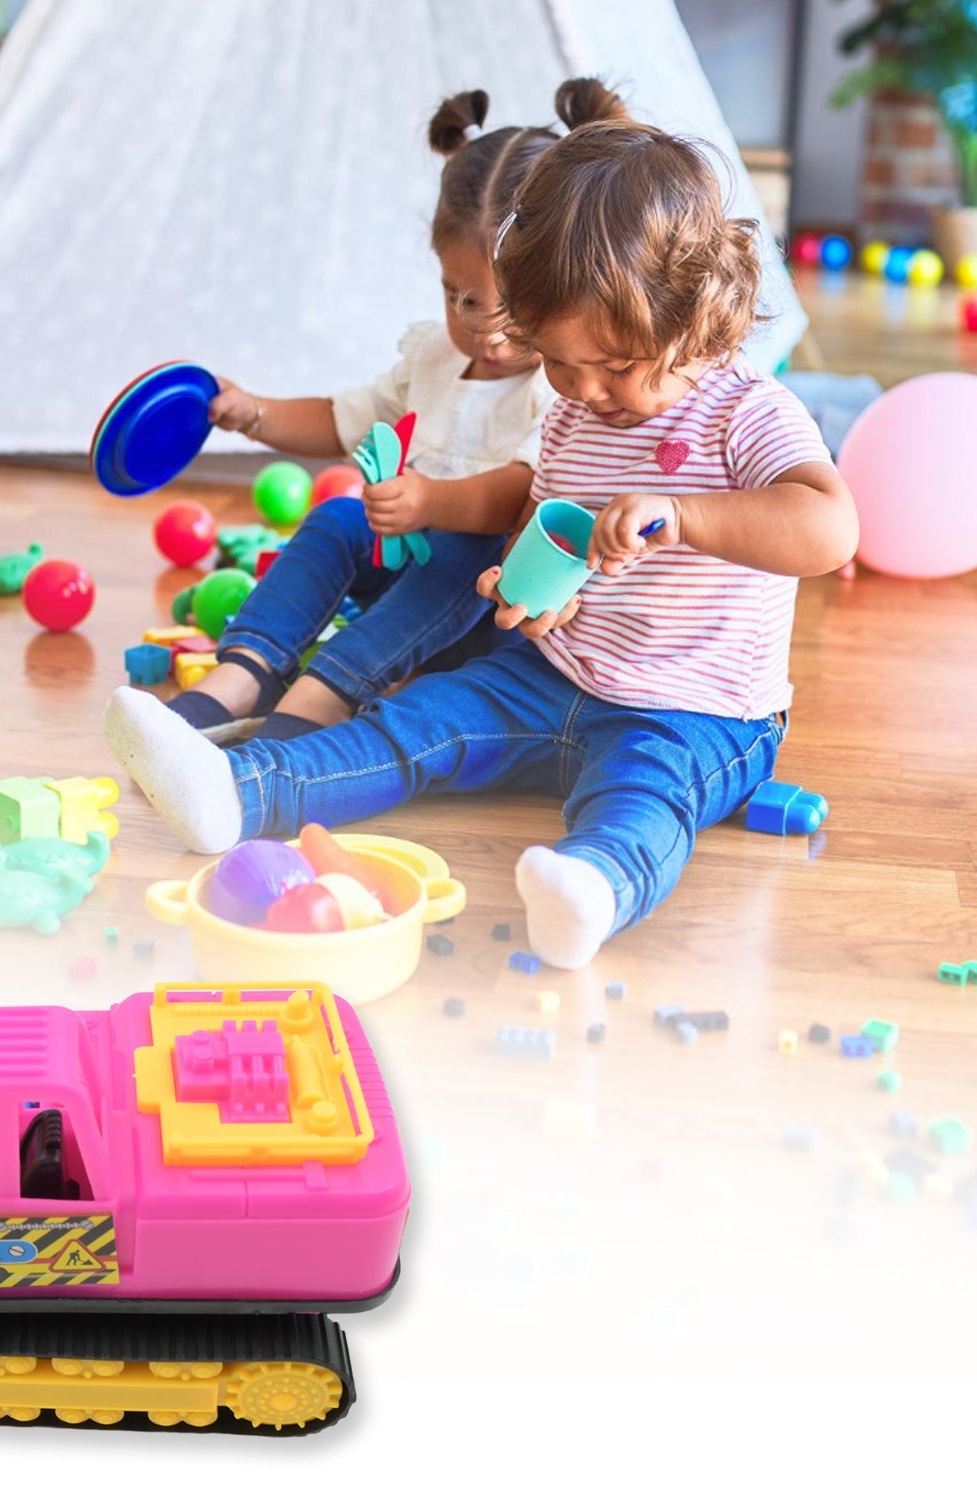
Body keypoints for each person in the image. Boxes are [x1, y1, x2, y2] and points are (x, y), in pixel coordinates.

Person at [105, 108, 859, 970]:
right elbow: (545, 526)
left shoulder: (745, 413)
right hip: (555, 674)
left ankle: (594, 886)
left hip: (700, 714)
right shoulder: (574, 416)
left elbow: (828, 528)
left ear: (694, 314)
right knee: (414, 723)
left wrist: (686, 515)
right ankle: (238, 791)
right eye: (559, 363)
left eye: (616, 366)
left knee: (645, 794)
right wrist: (528, 593)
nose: (584, 390)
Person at [167, 85, 626, 741]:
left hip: (489, 610)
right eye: (461, 299)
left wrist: (430, 501)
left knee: (465, 549)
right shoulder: (434, 355)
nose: (486, 333)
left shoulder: (561, 386)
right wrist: (254, 412)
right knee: (337, 518)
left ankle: (324, 695)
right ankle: (246, 671)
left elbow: (521, 491)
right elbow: (346, 418)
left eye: (511, 311)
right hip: (401, 594)